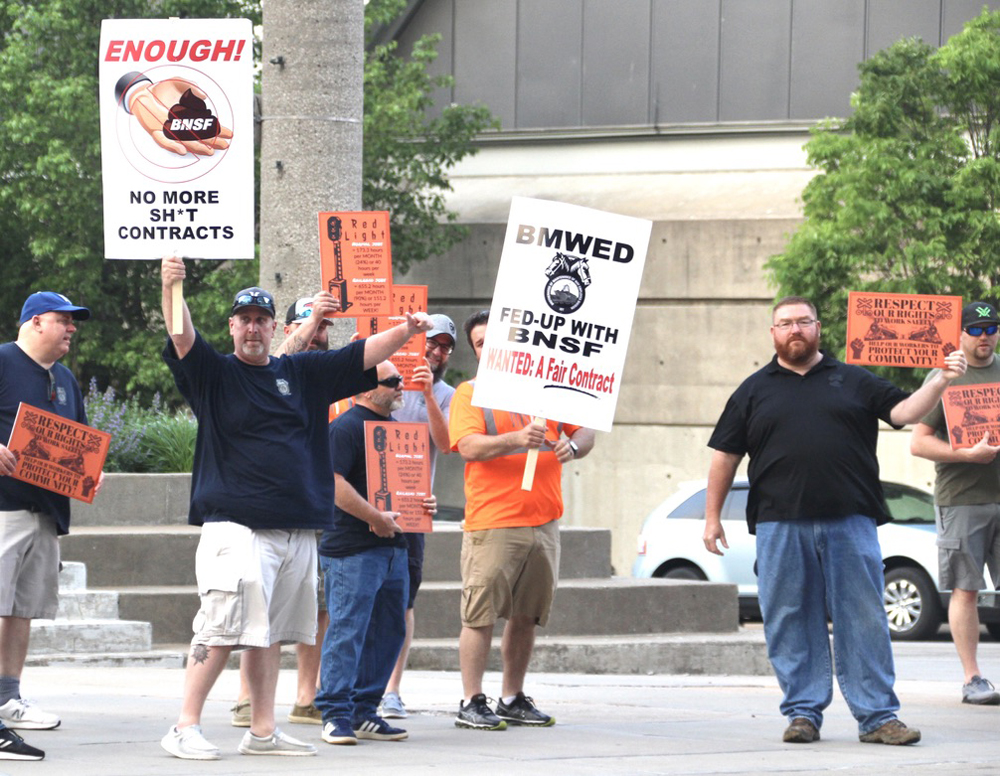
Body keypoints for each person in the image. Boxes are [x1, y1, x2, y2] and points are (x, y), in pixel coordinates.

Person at [157, 256, 430, 760]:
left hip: (296, 528)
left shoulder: (299, 373)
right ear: (233, 327)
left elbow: (360, 355)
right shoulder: (213, 374)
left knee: (271, 635)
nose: (254, 328)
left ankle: (263, 731)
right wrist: (171, 285)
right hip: (236, 528)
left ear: (270, 327)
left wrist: (406, 330)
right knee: (220, 628)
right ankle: (184, 725)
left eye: (262, 319)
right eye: (246, 320)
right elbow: (181, 337)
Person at [703, 295, 968, 746]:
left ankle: (879, 717)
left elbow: (904, 413)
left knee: (863, 616)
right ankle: (803, 713)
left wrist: (941, 379)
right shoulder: (752, 389)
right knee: (789, 618)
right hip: (778, 523)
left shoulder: (853, 378)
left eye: (803, 322)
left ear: (818, 327)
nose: (794, 330)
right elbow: (725, 456)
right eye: (785, 323)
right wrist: (712, 517)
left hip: (851, 520)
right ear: (773, 333)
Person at [449, 310, 595, 731]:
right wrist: (515, 439)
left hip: (544, 520)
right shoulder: (470, 393)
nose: (489, 348)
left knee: (527, 614)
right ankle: (471, 699)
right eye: (480, 343)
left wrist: (574, 445)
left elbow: (586, 430)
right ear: (476, 352)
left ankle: (511, 696)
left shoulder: (548, 387)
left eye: (496, 338)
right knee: (480, 614)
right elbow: (470, 447)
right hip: (494, 522)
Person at [315, 361, 437, 745]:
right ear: (366, 389)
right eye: (392, 382)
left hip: (393, 547)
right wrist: (374, 517)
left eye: (400, 381)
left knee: (389, 629)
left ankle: (365, 709)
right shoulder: (345, 428)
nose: (401, 387)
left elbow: (404, 486)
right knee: (348, 630)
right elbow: (330, 483)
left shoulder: (396, 430)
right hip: (352, 549)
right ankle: (335, 712)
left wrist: (423, 503)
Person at [230, 293, 337, 728]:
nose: (320, 334)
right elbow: (274, 361)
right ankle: (245, 699)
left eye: (327, 327)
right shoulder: (273, 373)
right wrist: (309, 322)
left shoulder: (331, 377)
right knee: (261, 606)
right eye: (311, 325)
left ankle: (306, 695)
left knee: (317, 607)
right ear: (288, 329)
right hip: (273, 508)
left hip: (318, 506)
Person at [0, 292, 92, 762]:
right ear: (35, 322)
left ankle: (7, 698)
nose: (72, 329)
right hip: (3, 510)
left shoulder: (66, 379)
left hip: (46, 514)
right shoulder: (1, 361)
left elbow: (80, 436)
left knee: (21, 609)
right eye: (64, 321)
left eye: (74, 322)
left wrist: (92, 469)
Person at [910, 300, 1000, 705]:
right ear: (961, 334)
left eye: (992, 329)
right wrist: (965, 455)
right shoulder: (944, 377)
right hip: (962, 500)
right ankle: (973, 679)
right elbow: (918, 442)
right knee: (966, 589)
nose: (985, 337)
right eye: (976, 330)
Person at [379, 313, 457, 720]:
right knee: (360, 598)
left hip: (412, 512)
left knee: (403, 602)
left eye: (445, 347)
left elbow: (446, 445)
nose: (437, 351)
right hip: (370, 506)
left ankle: (392, 689)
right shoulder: (383, 379)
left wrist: (427, 394)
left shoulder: (447, 394)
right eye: (433, 342)